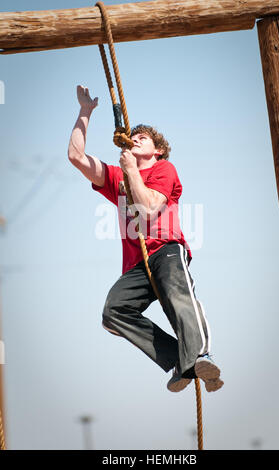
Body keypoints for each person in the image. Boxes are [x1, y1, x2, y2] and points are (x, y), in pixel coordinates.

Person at [68, 85, 224, 393]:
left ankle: (200, 354)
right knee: (113, 312)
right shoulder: (117, 177)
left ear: (158, 150)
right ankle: (177, 359)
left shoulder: (164, 169)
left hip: (166, 251)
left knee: (179, 300)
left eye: (144, 138)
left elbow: (149, 207)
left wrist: (130, 170)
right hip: (138, 265)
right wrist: (86, 111)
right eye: (134, 136)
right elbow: (75, 156)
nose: (136, 138)